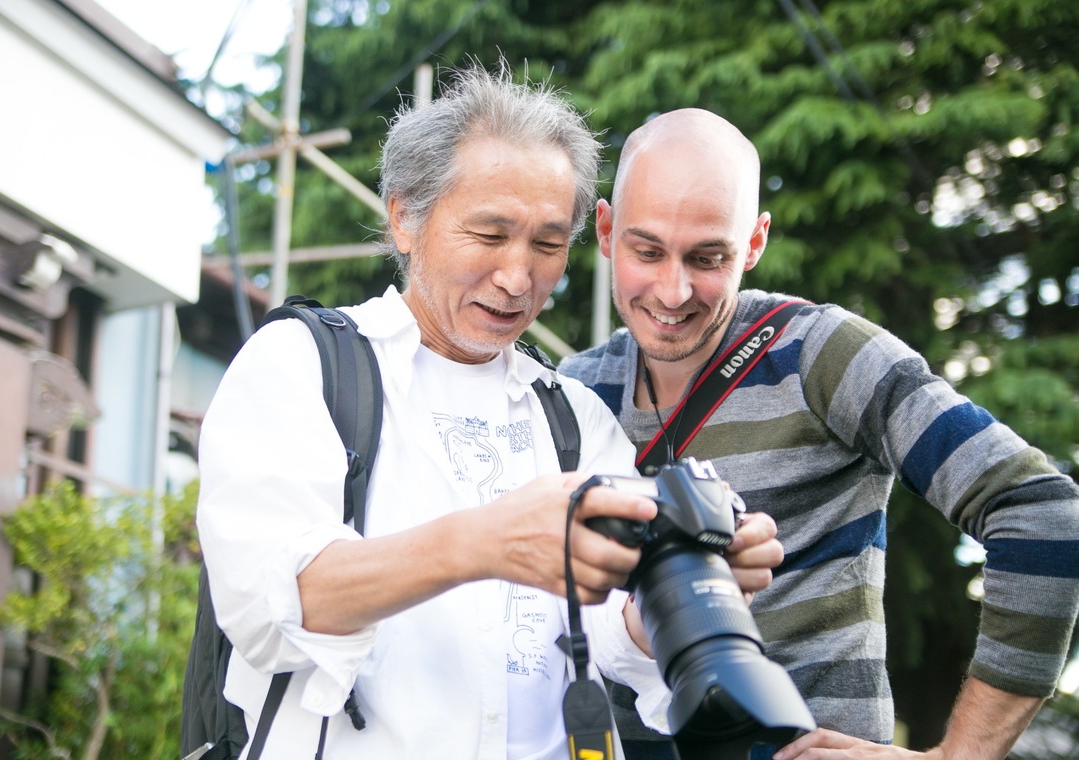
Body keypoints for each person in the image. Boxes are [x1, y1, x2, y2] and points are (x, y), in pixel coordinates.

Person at [195, 67, 780, 759]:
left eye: (547, 243)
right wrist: (478, 544)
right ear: (405, 217)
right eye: (490, 233)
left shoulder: (574, 419)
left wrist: (691, 590)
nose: (517, 276)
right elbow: (264, 607)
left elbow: (617, 646)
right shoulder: (302, 366)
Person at [559, 108, 1079, 760]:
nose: (673, 289)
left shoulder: (820, 355)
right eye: (647, 250)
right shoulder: (572, 394)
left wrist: (961, 756)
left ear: (754, 242)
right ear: (605, 231)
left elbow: (1041, 511)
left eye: (708, 256)